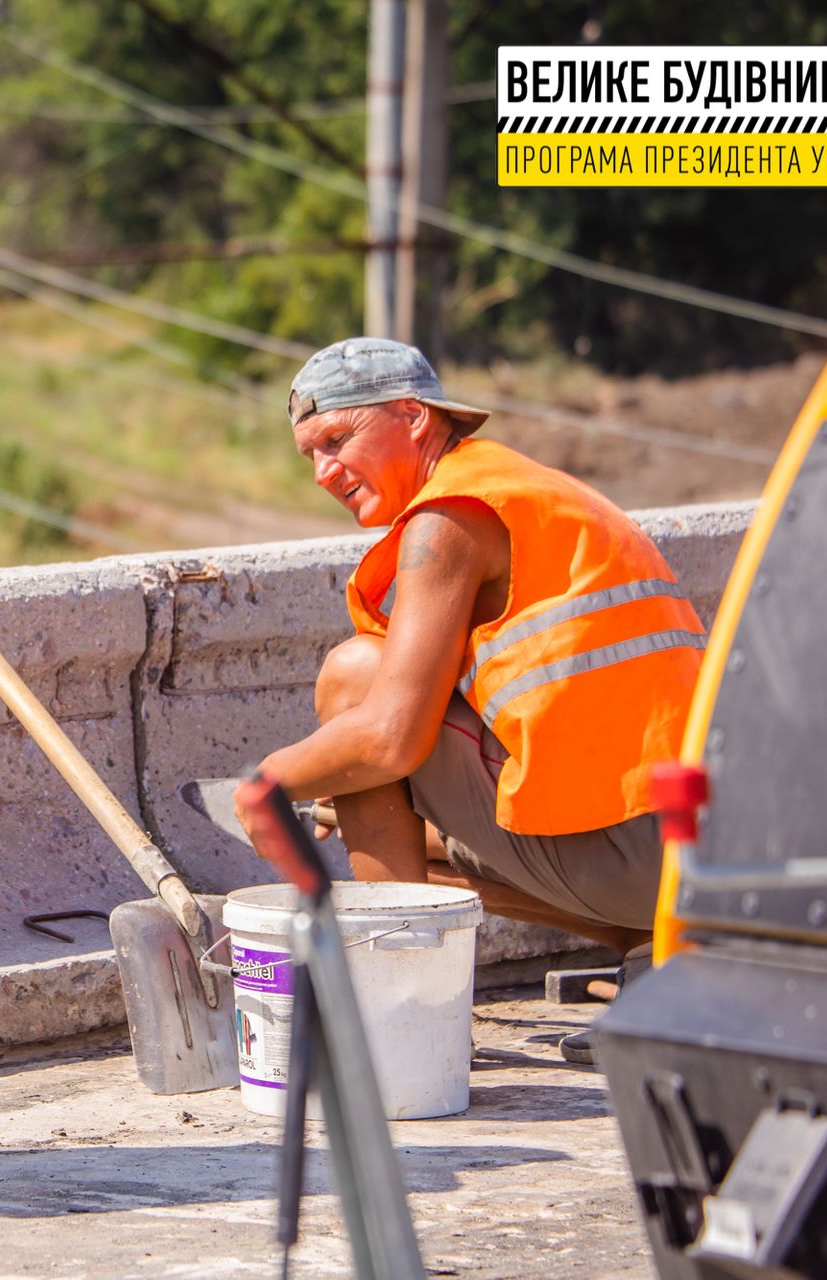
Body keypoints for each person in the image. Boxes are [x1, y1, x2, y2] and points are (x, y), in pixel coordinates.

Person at [236, 338, 704, 1060]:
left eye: (336, 441)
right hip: (694, 844)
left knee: (356, 679)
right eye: (311, 456)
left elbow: (388, 736)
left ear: (413, 416)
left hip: (646, 852)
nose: (324, 472)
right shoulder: (523, 489)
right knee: (376, 814)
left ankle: (397, 1012)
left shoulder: (450, 520)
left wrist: (264, 790)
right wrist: (347, 787)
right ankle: (656, 954)